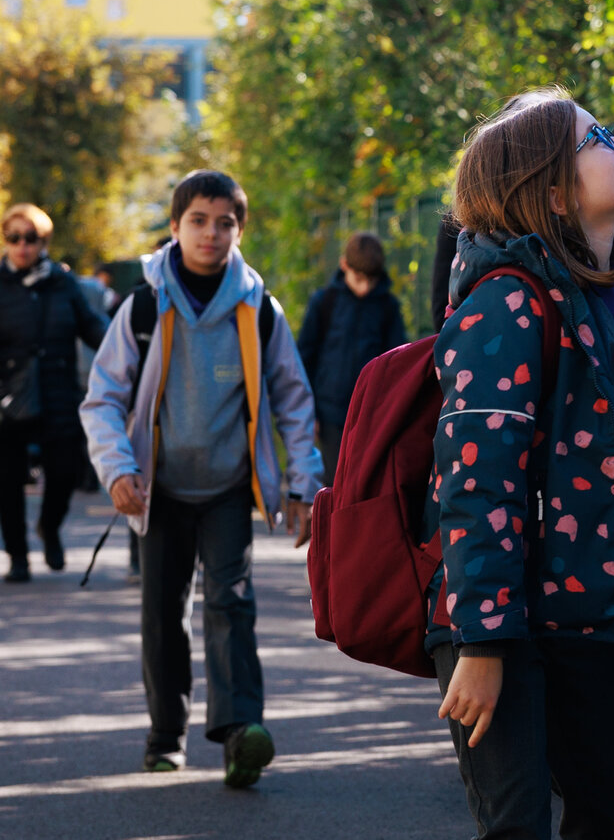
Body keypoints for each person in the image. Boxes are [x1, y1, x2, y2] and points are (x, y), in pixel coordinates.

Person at [424, 89, 614, 840]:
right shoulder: (508, 302)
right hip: (503, 623)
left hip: (583, 624)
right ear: (556, 194)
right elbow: (478, 477)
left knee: (611, 819)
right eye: (597, 139)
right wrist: (485, 644)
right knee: (518, 824)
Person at [81, 169, 323, 787]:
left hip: (225, 487)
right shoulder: (143, 304)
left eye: (224, 223)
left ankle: (242, 733)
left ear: (239, 231)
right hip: (156, 488)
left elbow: (293, 400)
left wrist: (303, 482)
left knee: (231, 602)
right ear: (174, 227)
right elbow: (103, 396)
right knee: (163, 613)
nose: (210, 234)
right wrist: (117, 469)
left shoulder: (258, 312)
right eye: (198, 221)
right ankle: (167, 736)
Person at [1, 203, 110, 582]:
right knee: (8, 483)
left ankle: (49, 527)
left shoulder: (64, 284)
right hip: (9, 401)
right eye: (13, 237)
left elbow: (94, 328)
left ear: (43, 241)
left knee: (64, 474)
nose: (22, 246)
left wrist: (126, 345)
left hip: (58, 395)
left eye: (30, 238)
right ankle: (17, 556)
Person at [296, 230, 407, 484]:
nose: (365, 287)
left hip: (371, 415)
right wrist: (308, 411)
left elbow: (397, 361)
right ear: (344, 265)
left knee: (365, 484)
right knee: (335, 484)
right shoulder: (324, 302)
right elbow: (305, 358)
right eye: (358, 277)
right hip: (330, 415)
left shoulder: (387, 307)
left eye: (372, 279)